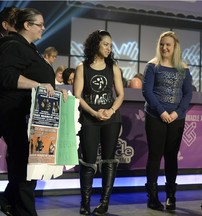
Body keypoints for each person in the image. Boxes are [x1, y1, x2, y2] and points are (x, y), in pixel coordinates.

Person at [0, 8, 61, 216]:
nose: (43, 28)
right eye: (40, 24)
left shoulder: (28, 47)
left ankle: (8, 201)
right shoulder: (13, 46)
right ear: (27, 25)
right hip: (13, 113)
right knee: (24, 165)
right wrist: (39, 85)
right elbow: (6, 76)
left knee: (24, 164)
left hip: (26, 116)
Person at [74, 30, 124, 216]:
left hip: (111, 119)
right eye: (105, 44)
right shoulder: (82, 67)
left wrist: (110, 111)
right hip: (89, 119)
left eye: (110, 45)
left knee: (109, 160)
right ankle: (85, 203)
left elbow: (120, 95)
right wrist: (94, 112)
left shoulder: (114, 68)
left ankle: (104, 203)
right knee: (88, 161)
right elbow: (77, 96)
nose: (108, 48)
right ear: (96, 44)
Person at [142, 31, 193, 211]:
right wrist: (162, 111)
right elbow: (147, 92)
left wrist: (177, 112)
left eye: (168, 45)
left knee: (171, 157)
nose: (165, 47)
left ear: (175, 47)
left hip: (176, 119)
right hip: (155, 117)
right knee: (155, 156)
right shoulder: (152, 65)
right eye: (162, 44)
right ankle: (152, 196)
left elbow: (188, 93)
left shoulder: (183, 67)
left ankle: (171, 195)